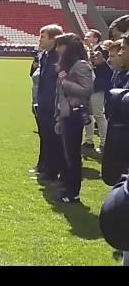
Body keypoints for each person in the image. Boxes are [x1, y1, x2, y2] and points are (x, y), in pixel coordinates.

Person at [54, 33, 94, 203]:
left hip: (74, 115)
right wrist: (57, 117)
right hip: (65, 114)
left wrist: (65, 81)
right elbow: (59, 95)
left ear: (68, 47)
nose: (57, 49)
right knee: (67, 154)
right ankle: (67, 187)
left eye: (60, 45)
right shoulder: (67, 65)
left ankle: (73, 192)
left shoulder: (81, 65)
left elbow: (86, 90)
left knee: (73, 155)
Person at [32, 24, 67, 181]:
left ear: (53, 39)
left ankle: (52, 171)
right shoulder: (45, 55)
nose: (40, 39)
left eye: (43, 36)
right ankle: (44, 165)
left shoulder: (58, 57)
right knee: (45, 137)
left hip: (53, 105)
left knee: (53, 139)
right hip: (43, 103)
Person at [83, 32, 111, 153]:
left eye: (88, 36)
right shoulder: (87, 50)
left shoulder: (102, 50)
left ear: (96, 38)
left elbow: (107, 69)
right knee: (88, 114)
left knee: (99, 114)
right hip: (88, 86)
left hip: (98, 87)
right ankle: (89, 140)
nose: (85, 37)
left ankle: (105, 142)